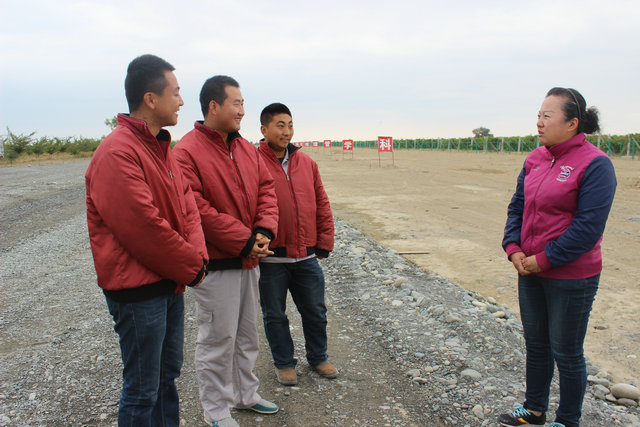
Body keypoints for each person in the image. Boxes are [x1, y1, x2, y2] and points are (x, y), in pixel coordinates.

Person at [85, 54, 208, 426]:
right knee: (142, 389)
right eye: (176, 93)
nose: (182, 101)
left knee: (167, 376)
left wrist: (197, 258)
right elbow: (143, 228)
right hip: (138, 290)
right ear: (151, 99)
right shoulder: (117, 152)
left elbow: (187, 206)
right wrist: (193, 266)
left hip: (169, 281)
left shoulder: (160, 147)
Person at [499, 88, 617, 427]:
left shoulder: (596, 164)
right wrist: (513, 248)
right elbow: (518, 207)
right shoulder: (535, 159)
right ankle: (534, 409)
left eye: (547, 116)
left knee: (566, 351)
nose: (539, 122)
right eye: (538, 115)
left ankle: (567, 420)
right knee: (536, 345)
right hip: (529, 270)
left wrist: (544, 259)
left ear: (572, 123)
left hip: (571, 277)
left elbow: (587, 228)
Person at [173, 76, 279, 427]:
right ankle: (216, 409)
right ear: (214, 106)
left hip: (249, 260)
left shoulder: (246, 148)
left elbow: (267, 190)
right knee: (218, 339)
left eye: (243, 103)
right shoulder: (187, 151)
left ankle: (246, 394)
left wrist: (263, 231)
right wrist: (244, 240)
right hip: (217, 264)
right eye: (237, 103)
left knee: (247, 335)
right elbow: (195, 209)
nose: (242, 111)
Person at [256, 103, 337, 386]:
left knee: (315, 311)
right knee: (274, 315)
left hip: (305, 257)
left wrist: (324, 241)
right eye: (280, 125)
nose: (287, 131)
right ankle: (284, 362)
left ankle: (318, 357)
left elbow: (321, 203)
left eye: (290, 125)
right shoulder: (252, 161)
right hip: (271, 259)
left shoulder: (307, 163)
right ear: (264, 129)